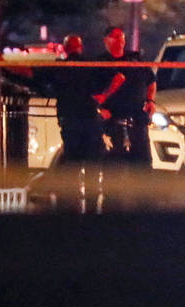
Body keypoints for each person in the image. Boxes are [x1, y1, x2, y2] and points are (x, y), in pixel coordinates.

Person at [50, 34, 106, 212]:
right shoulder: (89, 66)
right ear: (80, 47)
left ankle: (71, 208)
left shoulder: (61, 68)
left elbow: (41, 79)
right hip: (90, 120)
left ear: (66, 49)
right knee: (92, 166)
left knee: (72, 164)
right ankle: (91, 207)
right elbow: (100, 87)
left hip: (70, 120)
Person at [92, 26, 154, 167]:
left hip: (138, 123)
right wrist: (100, 108)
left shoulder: (135, 59)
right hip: (113, 124)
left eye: (121, 37)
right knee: (115, 168)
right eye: (115, 37)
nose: (119, 40)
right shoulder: (99, 63)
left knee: (143, 167)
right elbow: (92, 92)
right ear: (106, 40)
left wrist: (151, 100)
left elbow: (151, 81)